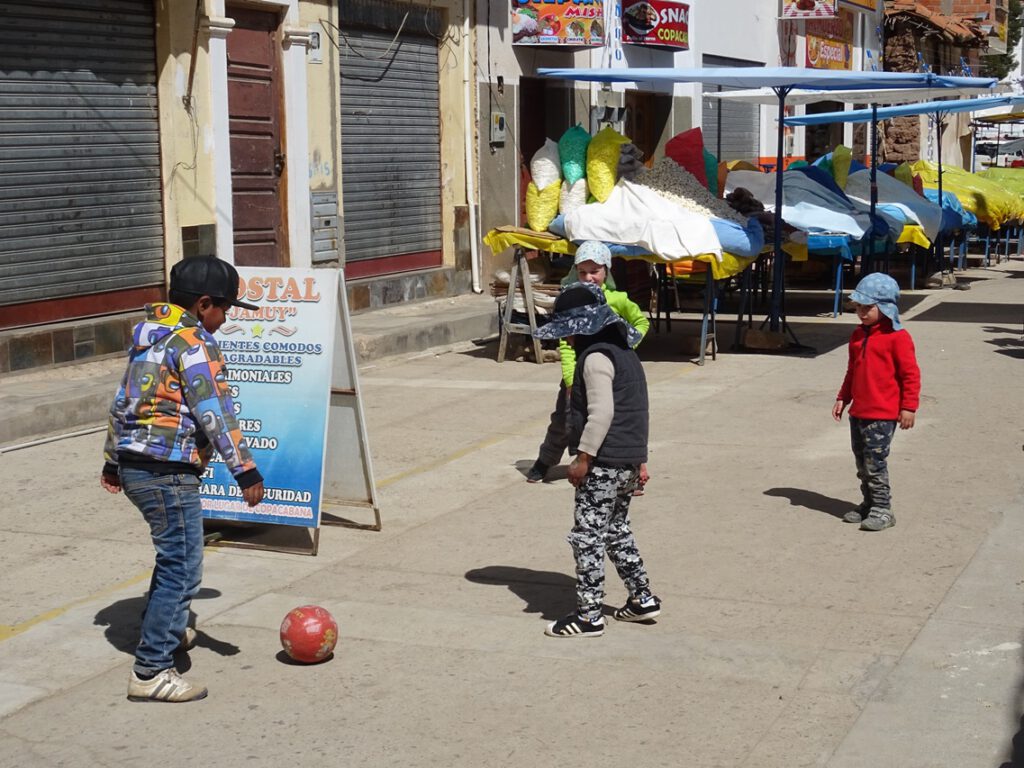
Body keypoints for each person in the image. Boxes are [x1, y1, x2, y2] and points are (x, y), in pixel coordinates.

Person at [100, 256, 266, 702]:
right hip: (168, 472)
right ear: (204, 303)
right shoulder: (195, 343)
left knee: (173, 557)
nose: (226, 318)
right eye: (224, 309)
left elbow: (122, 403)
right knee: (184, 569)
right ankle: (152, 669)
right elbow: (214, 411)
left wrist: (113, 461)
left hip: (137, 467)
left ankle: (168, 632)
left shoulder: (146, 338)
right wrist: (244, 468)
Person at [533, 282, 661, 637]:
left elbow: (602, 413)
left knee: (587, 536)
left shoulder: (595, 359)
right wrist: (640, 460)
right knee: (616, 531)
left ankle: (589, 615)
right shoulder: (626, 353)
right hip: (627, 460)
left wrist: (582, 458)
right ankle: (642, 599)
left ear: (582, 327)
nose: (567, 341)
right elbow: (637, 413)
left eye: (568, 333)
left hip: (603, 463)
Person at [526, 240, 649, 484]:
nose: (588, 277)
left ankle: (629, 470)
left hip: (610, 372)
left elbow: (641, 323)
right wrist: (571, 379)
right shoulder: (572, 300)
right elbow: (566, 345)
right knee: (564, 419)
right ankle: (546, 460)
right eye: (582, 272)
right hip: (577, 375)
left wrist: (623, 348)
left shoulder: (618, 300)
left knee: (617, 417)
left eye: (595, 271)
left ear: (607, 271)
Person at [832, 273, 920, 532]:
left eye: (868, 308)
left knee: (875, 463)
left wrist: (908, 407)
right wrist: (842, 398)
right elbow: (852, 371)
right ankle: (869, 503)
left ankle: (883, 509)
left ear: (885, 307)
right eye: (858, 307)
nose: (861, 312)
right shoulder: (857, 336)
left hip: (882, 415)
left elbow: (910, 374)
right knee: (862, 463)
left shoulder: (898, 338)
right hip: (858, 412)